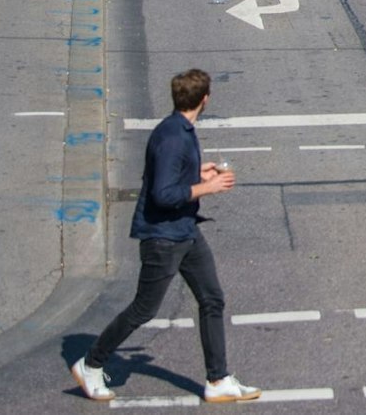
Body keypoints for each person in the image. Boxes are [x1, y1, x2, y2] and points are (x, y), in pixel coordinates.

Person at [71, 68, 259, 404]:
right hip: (163, 237)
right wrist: (208, 186)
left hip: (185, 232)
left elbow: (167, 176)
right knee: (144, 309)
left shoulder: (176, 129)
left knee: (212, 299)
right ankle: (91, 363)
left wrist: (196, 172)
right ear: (205, 99)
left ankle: (218, 380)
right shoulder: (173, 137)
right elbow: (163, 194)